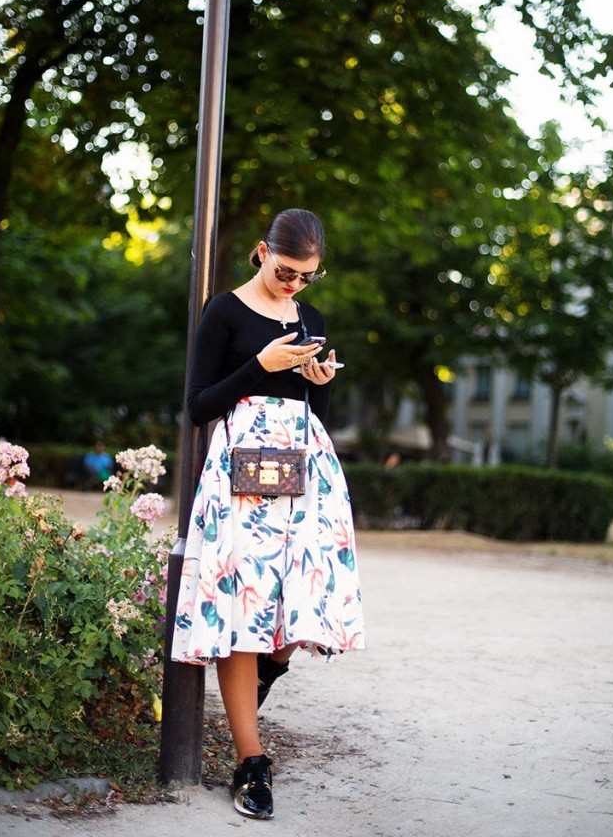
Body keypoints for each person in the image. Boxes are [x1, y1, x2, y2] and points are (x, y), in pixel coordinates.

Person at [171, 208, 365, 821]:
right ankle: (251, 763)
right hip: (239, 479)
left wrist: (317, 377)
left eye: (308, 276)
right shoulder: (224, 311)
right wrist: (260, 367)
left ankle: (253, 687)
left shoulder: (312, 318)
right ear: (261, 252)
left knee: (297, 614)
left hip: (305, 475)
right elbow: (199, 406)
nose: (295, 285)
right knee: (244, 612)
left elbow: (315, 409)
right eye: (286, 271)